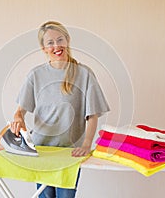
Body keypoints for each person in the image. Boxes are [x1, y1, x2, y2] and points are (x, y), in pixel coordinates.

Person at [10, 21, 109, 198]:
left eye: (60, 39)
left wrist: (86, 145)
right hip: (42, 151)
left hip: (69, 153)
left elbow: (92, 115)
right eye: (50, 42)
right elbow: (21, 111)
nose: (56, 46)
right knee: (45, 196)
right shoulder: (35, 75)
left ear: (68, 40)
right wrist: (18, 117)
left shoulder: (84, 74)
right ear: (43, 48)